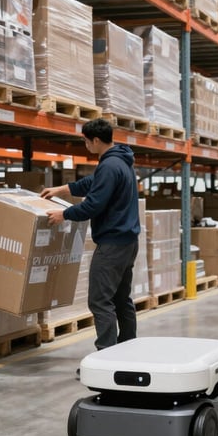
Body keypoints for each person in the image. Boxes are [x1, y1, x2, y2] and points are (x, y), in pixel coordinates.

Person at [40, 118, 140, 351]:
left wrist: (63, 214)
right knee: (121, 299)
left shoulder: (109, 165)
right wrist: (63, 189)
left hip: (112, 245)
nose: (85, 145)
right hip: (127, 242)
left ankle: (107, 356)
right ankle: (129, 349)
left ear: (96, 140)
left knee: (100, 301)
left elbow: (94, 205)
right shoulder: (121, 161)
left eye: (86, 141)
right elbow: (93, 183)